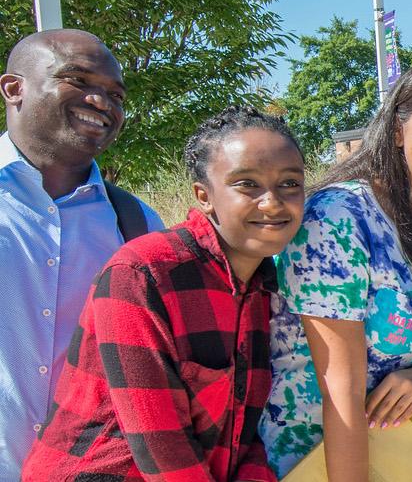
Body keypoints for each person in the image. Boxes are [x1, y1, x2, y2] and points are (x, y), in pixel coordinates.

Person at [259, 59, 412, 478]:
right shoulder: (339, 218)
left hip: (405, 460)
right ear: (398, 130)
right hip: (312, 461)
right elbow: (340, 394)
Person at [22, 106, 306, 481]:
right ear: (204, 196)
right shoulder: (142, 274)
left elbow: (243, 429)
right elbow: (162, 447)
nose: (272, 202)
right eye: (247, 184)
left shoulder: (265, 287)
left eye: (289, 183)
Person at [0, 29, 165, 478]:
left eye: (115, 94)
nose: (101, 102)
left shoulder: (140, 227)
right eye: (78, 80)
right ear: (14, 88)